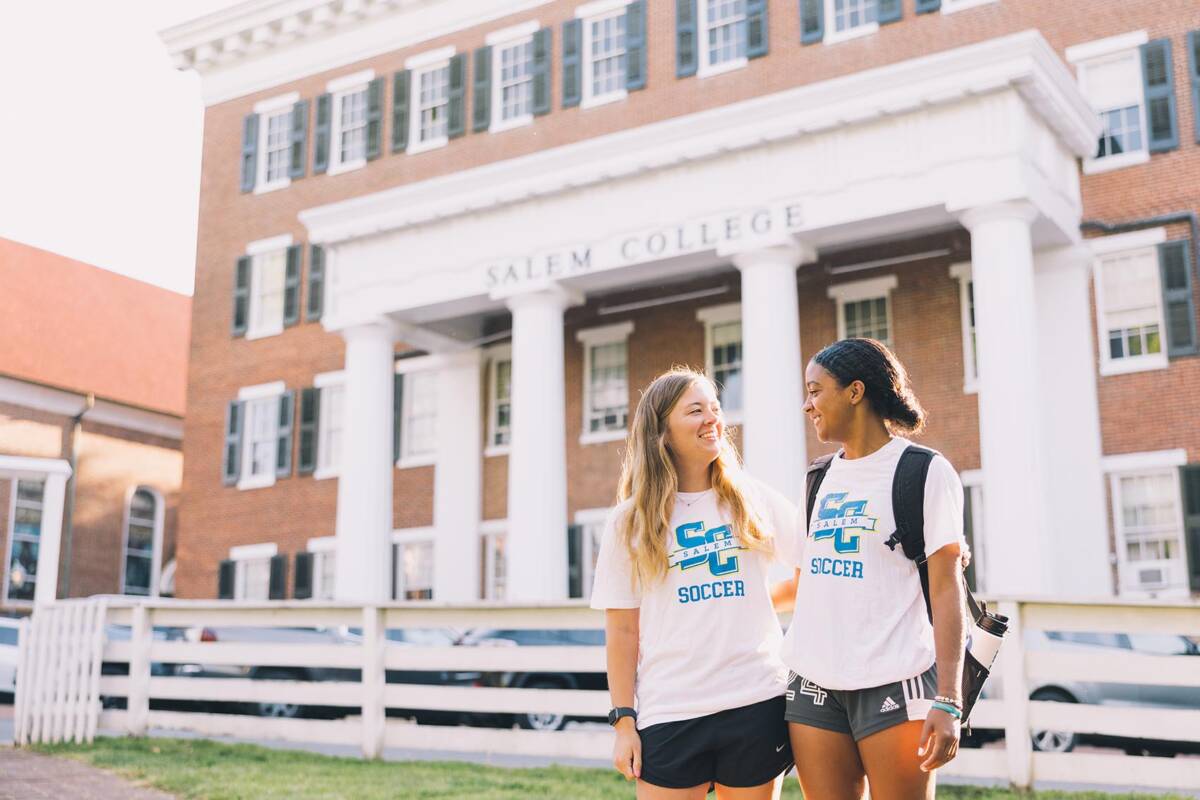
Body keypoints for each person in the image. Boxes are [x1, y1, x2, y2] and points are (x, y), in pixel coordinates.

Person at [590, 367, 799, 799]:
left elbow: (814, 571)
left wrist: (757, 604)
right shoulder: (629, 522)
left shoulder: (751, 498)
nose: (713, 419)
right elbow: (623, 630)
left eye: (716, 408)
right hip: (670, 710)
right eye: (696, 410)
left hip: (754, 701)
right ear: (662, 431)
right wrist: (624, 722)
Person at [782, 338, 968, 800]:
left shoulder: (923, 471)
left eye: (815, 390)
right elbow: (810, 581)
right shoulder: (819, 476)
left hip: (895, 677)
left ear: (855, 392)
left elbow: (948, 590)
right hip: (813, 681)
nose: (808, 405)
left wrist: (949, 699)